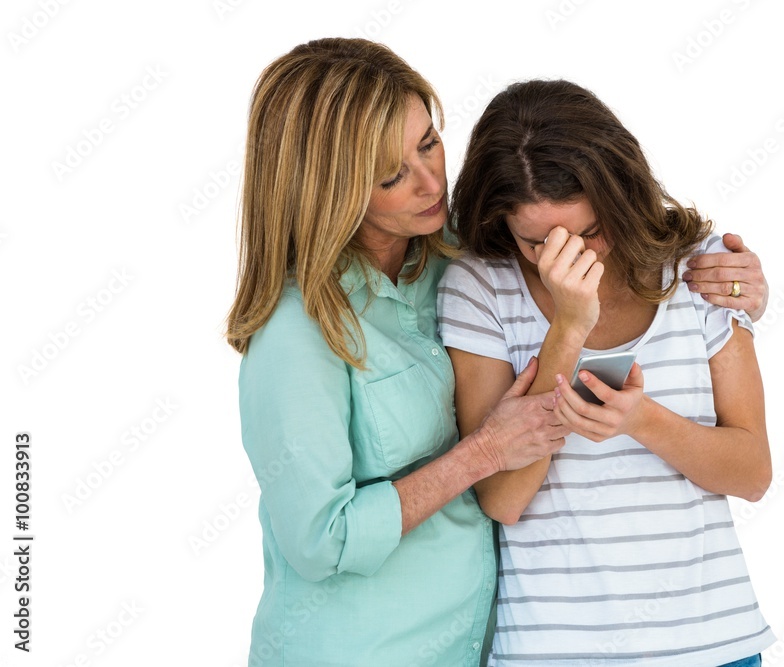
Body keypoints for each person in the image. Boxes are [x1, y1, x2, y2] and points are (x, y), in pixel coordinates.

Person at [226, 39, 571, 666]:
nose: (431, 180)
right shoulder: (294, 334)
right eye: (392, 175)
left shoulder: (462, 256)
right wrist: (484, 453)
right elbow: (320, 541)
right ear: (327, 190)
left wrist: (718, 278)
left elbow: (593, 235)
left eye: (430, 141)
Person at [438, 79, 774, 666]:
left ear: (623, 193)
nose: (576, 257)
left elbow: (752, 474)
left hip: (712, 644)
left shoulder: (702, 265)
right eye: (539, 242)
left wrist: (642, 420)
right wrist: (569, 328)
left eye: (592, 230)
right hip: (555, 650)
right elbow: (503, 499)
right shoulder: (480, 286)